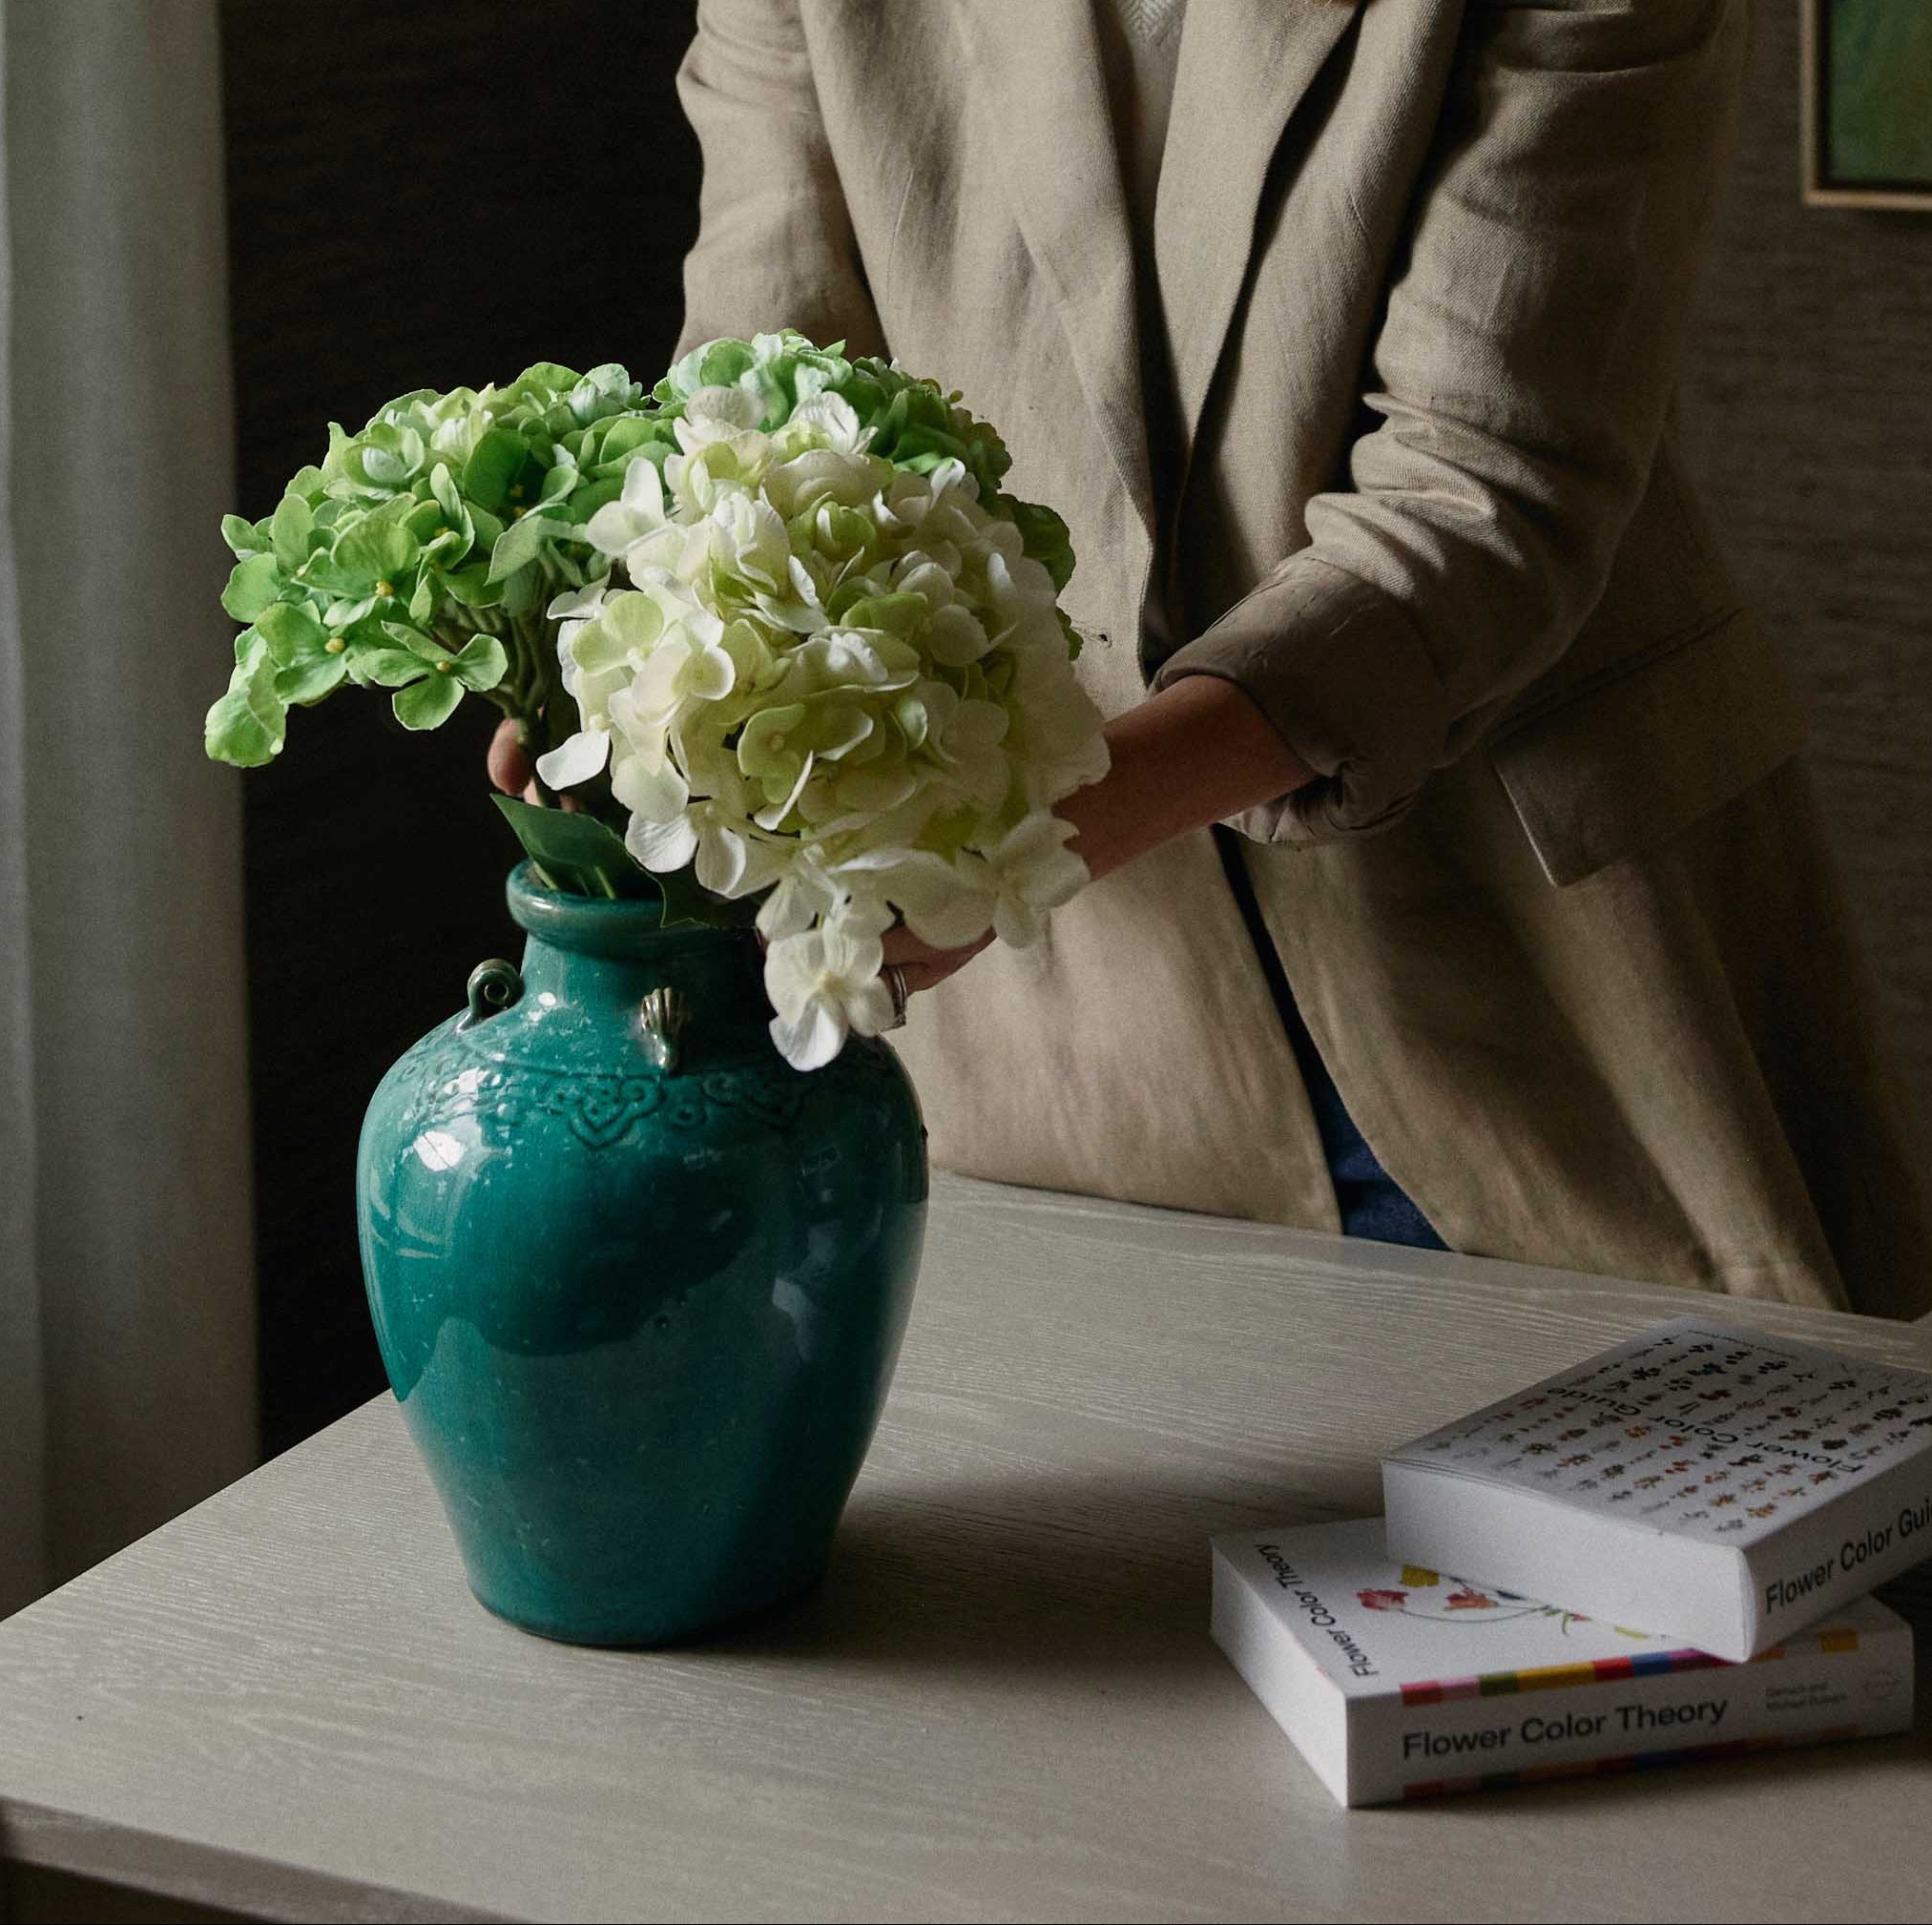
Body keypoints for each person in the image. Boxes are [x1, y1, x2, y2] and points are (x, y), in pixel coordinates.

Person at [493, 0, 1932, 1317]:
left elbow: (1483, 494)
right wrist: (643, 697)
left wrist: (1010, 842)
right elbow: (764, 412)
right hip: (1059, 1045)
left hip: (1528, 996)